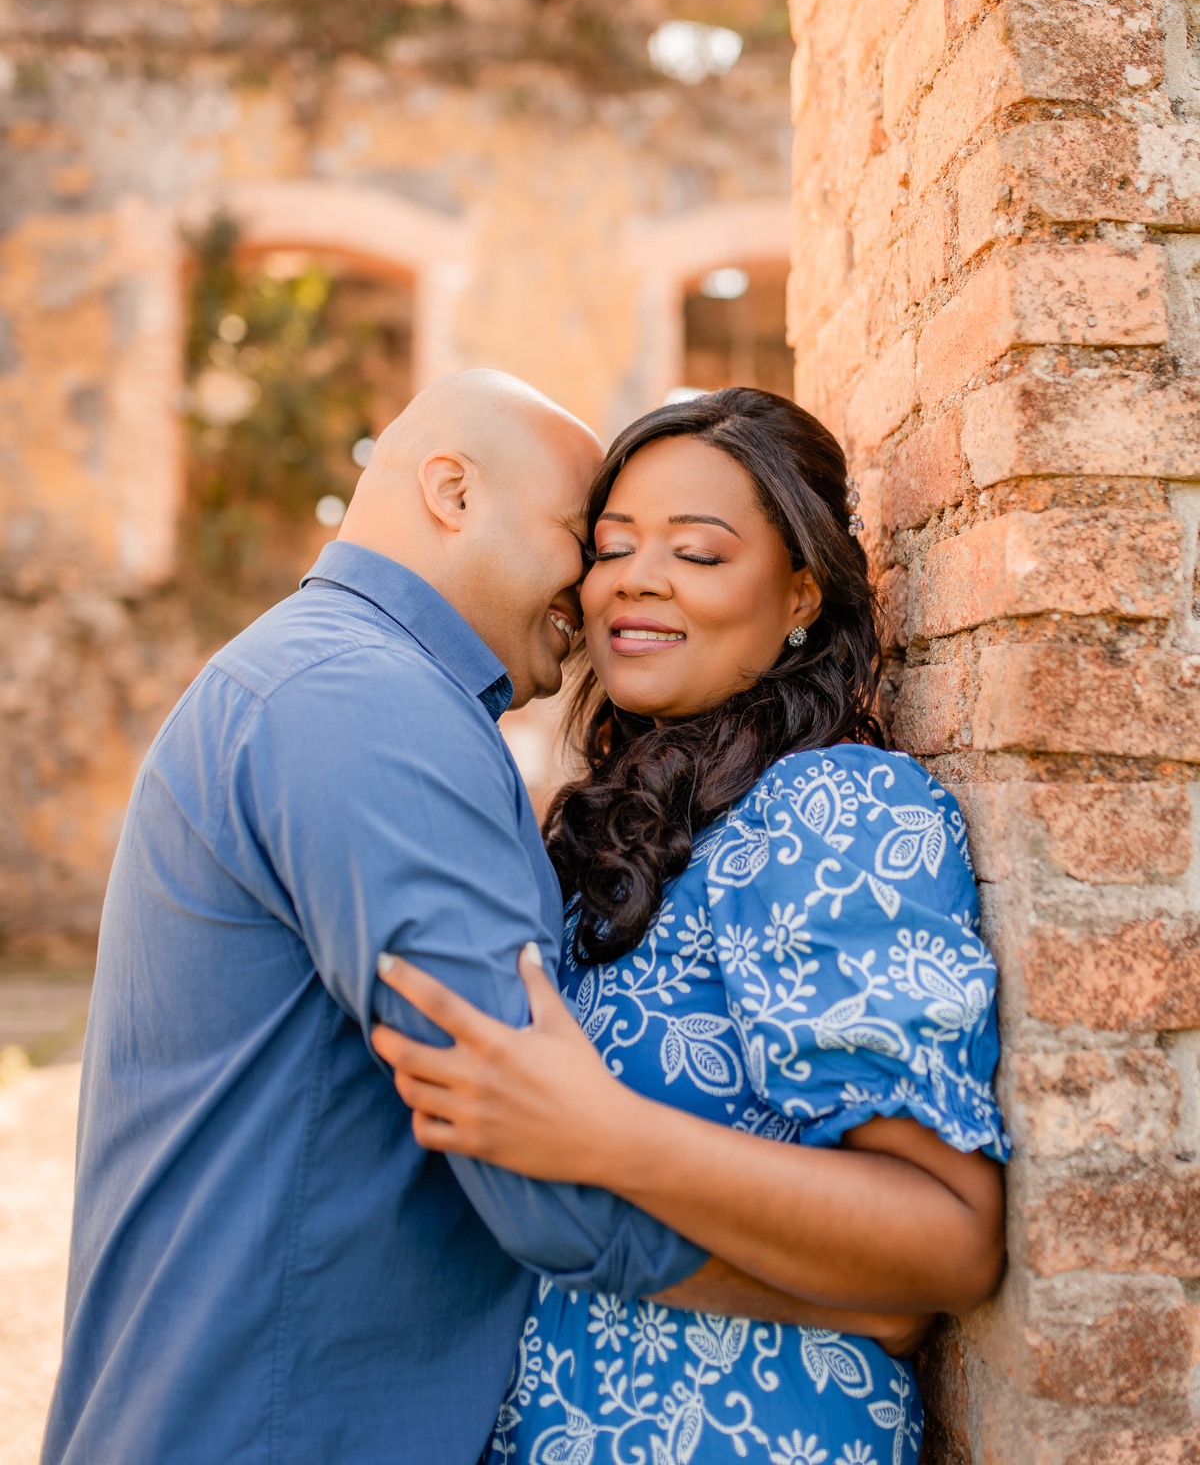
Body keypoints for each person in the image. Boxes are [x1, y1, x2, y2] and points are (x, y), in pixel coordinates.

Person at [45, 369, 935, 1465]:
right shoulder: (366, 706)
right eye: (591, 538)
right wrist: (863, 1298)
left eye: (688, 550)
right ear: (452, 492)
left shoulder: (330, 684)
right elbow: (539, 1188)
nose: (595, 585)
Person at [372, 387, 1010, 1465]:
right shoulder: (605, 833)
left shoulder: (838, 812)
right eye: (610, 546)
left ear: (800, 594)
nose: (635, 577)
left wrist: (606, 1137)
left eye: (699, 554)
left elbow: (946, 1241)